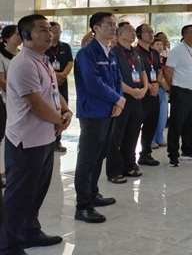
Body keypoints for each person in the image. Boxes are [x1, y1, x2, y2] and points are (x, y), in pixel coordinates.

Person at [0, 15, 72, 254]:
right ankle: (9, 246)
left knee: (36, 192)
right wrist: (60, 120)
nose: (49, 34)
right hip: (26, 141)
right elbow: (37, 104)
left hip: (45, 137)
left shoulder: (42, 59)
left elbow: (53, 92)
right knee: (19, 197)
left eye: (50, 29)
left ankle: (30, 232)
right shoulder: (24, 64)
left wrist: (66, 112)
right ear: (26, 35)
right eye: (42, 30)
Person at [74, 12, 125, 224]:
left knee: (100, 155)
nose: (113, 28)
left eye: (114, 24)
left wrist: (118, 101)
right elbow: (93, 83)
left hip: (110, 110)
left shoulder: (109, 51)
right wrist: (117, 99)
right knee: (88, 158)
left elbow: (118, 78)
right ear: (95, 28)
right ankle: (83, 206)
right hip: (93, 111)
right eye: (109, 25)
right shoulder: (87, 53)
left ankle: (92, 194)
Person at [106, 22, 147, 183]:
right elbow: (113, 79)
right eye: (130, 31)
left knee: (132, 133)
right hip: (121, 98)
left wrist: (144, 88)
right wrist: (131, 91)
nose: (133, 33)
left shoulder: (136, 52)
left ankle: (129, 165)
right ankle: (114, 171)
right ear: (120, 34)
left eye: (134, 31)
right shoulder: (113, 53)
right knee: (116, 136)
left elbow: (142, 72)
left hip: (137, 98)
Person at [164, 25, 192, 167]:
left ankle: (188, 150)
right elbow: (168, 71)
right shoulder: (177, 51)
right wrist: (172, 88)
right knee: (176, 124)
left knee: (191, 124)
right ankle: (173, 155)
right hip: (181, 91)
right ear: (185, 35)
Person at [135, 24, 163, 166]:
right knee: (135, 127)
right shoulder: (134, 52)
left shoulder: (154, 53)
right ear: (139, 35)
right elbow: (136, 72)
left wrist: (157, 83)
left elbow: (159, 70)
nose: (151, 34)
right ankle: (129, 156)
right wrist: (148, 86)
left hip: (154, 93)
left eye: (152, 32)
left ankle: (145, 154)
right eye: (147, 32)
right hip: (140, 94)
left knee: (151, 125)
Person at [45, 21, 73, 153]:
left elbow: (70, 62)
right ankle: (49, 138)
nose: (57, 35)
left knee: (62, 109)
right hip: (49, 82)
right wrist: (55, 76)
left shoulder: (65, 47)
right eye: (54, 32)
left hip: (62, 83)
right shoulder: (45, 47)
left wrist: (63, 75)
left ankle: (58, 140)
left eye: (59, 32)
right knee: (49, 108)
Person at [0, 25, 20, 190]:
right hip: (7, 101)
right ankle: (3, 172)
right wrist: (19, 93)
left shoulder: (22, 55)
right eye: (15, 35)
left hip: (22, 103)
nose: (19, 37)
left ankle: (12, 171)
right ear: (6, 38)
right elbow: (2, 80)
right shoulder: (1, 56)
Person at [151, 38, 168, 148]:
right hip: (153, 88)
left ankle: (159, 137)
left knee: (163, 116)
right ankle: (151, 140)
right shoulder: (149, 57)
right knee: (153, 116)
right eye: (157, 44)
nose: (160, 46)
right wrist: (159, 81)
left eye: (161, 44)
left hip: (163, 90)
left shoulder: (163, 59)